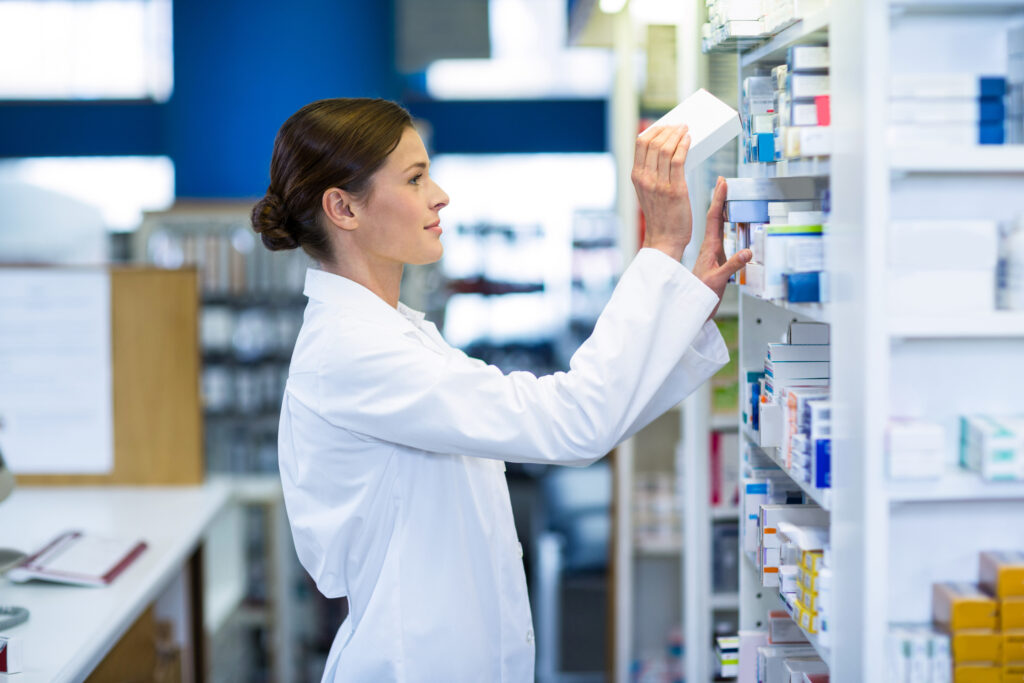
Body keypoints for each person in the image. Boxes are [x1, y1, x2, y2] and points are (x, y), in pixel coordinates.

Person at [251, 97, 751, 682]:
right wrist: (661, 248)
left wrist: (682, 307)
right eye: (415, 179)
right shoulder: (355, 353)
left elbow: (585, 417)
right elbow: (572, 422)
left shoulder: (392, 335)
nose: (440, 196)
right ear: (343, 208)